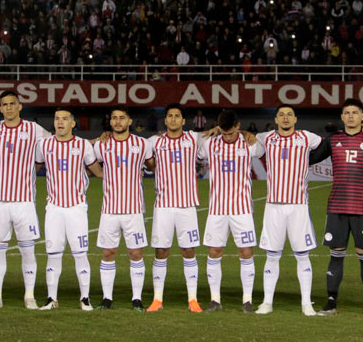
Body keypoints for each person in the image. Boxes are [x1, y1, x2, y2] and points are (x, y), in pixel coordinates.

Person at [308, 98, 363, 317]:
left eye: (355, 112)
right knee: (336, 252)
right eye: (347, 112)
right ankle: (330, 303)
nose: (351, 116)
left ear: (362, 116)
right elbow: (309, 159)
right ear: (342, 117)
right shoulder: (333, 139)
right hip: (337, 206)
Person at [0, 90, 52, 310]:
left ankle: (29, 296)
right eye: (4, 104)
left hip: (24, 201)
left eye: (12, 103)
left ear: (20, 106)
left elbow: (56, 142)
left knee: (27, 249)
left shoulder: (34, 129)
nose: (8, 107)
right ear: (0, 108)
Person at [254, 104, 322, 316]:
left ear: (295, 119)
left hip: (298, 206)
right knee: (272, 255)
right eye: (281, 115)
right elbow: (246, 140)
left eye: (289, 115)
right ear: (275, 119)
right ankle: (267, 302)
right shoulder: (266, 138)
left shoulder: (307, 137)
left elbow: (329, 146)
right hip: (273, 206)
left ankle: (306, 304)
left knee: (302, 255)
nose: (285, 118)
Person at [36, 108, 103, 311]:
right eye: (57, 119)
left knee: (80, 253)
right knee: (53, 253)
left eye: (65, 119)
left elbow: (98, 172)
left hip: (76, 208)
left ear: (73, 124)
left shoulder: (83, 145)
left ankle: (85, 298)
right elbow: (34, 169)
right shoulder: (44, 144)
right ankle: (51, 299)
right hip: (54, 208)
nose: (60, 122)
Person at [198, 110, 264, 313]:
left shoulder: (249, 144)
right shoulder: (210, 144)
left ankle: (247, 300)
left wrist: (245, 133)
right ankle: (215, 299)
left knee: (245, 252)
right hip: (217, 209)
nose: (227, 137)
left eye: (231, 132)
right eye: (223, 133)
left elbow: (262, 149)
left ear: (238, 126)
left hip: (241, 209)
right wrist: (211, 131)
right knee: (214, 252)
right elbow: (197, 150)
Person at [93, 106, 154, 311]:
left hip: (134, 209)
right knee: (108, 253)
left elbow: (154, 166)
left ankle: (137, 299)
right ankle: (107, 299)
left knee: (135, 253)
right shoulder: (101, 146)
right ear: (110, 123)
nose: (118, 121)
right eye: (114, 118)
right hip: (109, 209)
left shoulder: (142, 144)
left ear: (130, 122)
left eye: (122, 118)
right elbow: (85, 152)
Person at [145, 104, 204, 313]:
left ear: (183, 121)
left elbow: (218, 132)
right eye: (169, 116)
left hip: (187, 205)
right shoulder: (155, 142)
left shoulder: (194, 139)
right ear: (165, 120)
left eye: (177, 116)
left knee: (188, 250)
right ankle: (157, 299)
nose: (173, 119)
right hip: (163, 206)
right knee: (161, 251)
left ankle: (193, 299)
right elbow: (138, 151)